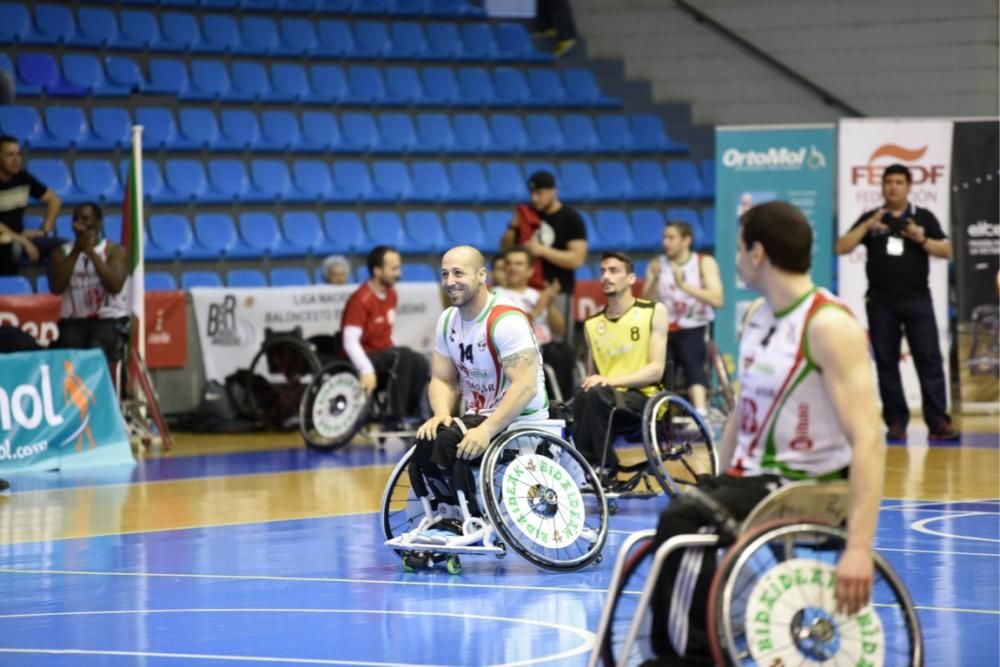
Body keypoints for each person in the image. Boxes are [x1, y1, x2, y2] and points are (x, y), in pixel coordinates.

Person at [643, 201, 885, 666]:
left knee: (683, 521)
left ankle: (688, 658)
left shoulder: (829, 325)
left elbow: (870, 440)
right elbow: (740, 413)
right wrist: (715, 478)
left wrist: (858, 547)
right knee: (686, 507)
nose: (734, 260)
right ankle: (706, 638)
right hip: (754, 479)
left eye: (738, 249)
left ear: (758, 253)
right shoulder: (757, 315)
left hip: (805, 486)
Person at [409, 245, 548, 518]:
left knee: (448, 443)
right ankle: (445, 512)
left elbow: (525, 387)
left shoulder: (507, 320)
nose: (450, 281)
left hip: (522, 421)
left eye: (458, 273)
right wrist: (441, 414)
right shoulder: (447, 320)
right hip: (476, 417)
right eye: (445, 274)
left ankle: (469, 516)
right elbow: (441, 378)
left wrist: (487, 430)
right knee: (427, 440)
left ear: (481, 275)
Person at [835, 163, 959, 443]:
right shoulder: (872, 218)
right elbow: (841, 247)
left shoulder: (922, 216)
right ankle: (895, 421)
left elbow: (948, 250)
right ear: (882, 187)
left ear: (908, 186)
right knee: (886, 361)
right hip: (880, 301)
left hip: (917, 299)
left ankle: (938, 420)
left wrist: (921, 237)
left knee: (928, 359)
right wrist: (867, 225)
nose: (893, 187)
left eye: (899, 182)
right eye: (888, 182)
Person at [573, 252, 668, 478]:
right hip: (604, 400)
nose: (606, 276)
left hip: (644, 398)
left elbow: (656, 370)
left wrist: (609, 381)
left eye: (614, 271)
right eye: (603, 271)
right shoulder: (592, 324)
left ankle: (602, 466)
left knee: (595, 393)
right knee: (573, 402)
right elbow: (591, 376)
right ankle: (581, 465)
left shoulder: (653, 311)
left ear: (631, 279)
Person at [642, 219, 724, 415]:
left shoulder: (704, 262)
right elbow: (644, 303)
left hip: (694, 325)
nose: (665, 242)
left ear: (686, 240)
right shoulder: (656, 264)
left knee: (692, 359)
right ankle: (659, 414)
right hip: (665, 329)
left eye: (671, 238)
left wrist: (684, 285)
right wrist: (653, 281)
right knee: (659, 367)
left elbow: (717, 299)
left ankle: (701, 412)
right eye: (664, 237)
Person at [341, 245, 429, 425]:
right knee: (402, 355)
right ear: (377, 271)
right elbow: (349, 341)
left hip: (384, 354)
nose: (399, 273)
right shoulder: (360, 299)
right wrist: (366, 370)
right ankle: (393, 415)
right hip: (363, 358)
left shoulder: (391, 295)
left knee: (419, 360)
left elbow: (386, 333)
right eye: (394, 268)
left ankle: (413, 415)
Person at [500, 170, 587, 344]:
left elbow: (577, 259)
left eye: (539, 193)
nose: (534, 198)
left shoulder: (570, 218)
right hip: (526, 291)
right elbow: (505, 250)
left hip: (557, 291)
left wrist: (542, 251)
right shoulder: (526, 215)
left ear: (553, 191)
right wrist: (512, 227)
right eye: (532, 193)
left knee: (558, 343)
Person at [47, 202, 130, 365]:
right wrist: (77, 250)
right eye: (76, 219)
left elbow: (114, 286)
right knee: (67, 348)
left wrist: (90, 252)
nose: (80, 224)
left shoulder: (115, 251)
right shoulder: (60, 253)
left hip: (108, 318)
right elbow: (56, 288)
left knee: (96, 348)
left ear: (98, 223)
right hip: (74, 321)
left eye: (85, 219)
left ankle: (98, 390)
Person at [493, 246, 577, 402]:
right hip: (518, 353)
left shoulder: (536, 294)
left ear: (530, 271)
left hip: (547, 350)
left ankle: (566, 405)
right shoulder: (496, 296)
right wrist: (538, 307)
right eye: (509, 263)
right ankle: (555, 405)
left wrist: (550, 304)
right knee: (558, 354)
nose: (513, 267)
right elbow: (509, 330)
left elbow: (560, 330)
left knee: (565, 351)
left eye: (519, 264)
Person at [0, 135, 62, 275]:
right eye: (10, 155)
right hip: (5, 241)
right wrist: (22, 240)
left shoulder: (23, 178)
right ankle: (9, 293)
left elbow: (54, 200)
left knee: (65, 248)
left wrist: (45, 231)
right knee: (11, 249)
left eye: (18, 154)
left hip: (18, 237)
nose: (16, 160)